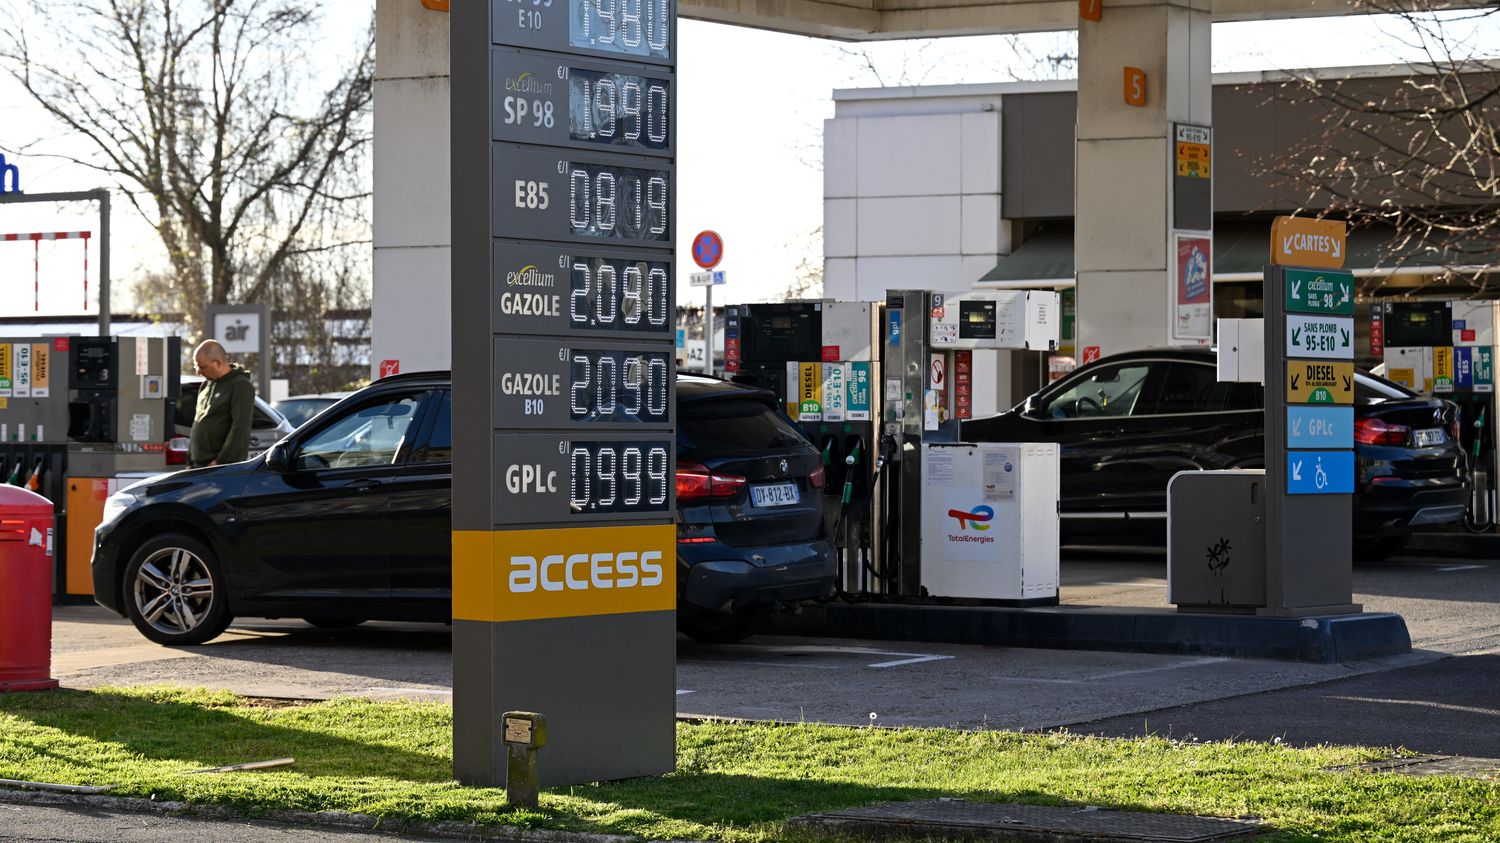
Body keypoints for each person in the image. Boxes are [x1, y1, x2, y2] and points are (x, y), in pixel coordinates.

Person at [188, 340, 255, 468]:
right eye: (196, 366)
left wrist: (221, 462)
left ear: (217, 363)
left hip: (221, 467)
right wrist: (189, 461)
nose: (198, 372)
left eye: (202, 367)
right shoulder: (206, 385)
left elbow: (240, 427)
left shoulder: (240, 385)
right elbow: (197, 422)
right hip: (199, 465)